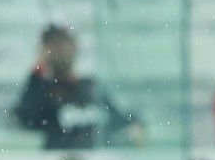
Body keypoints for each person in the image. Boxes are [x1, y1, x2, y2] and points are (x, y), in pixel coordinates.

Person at [14, 26, 142, 150]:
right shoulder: (42, 90)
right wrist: (37, 70)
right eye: (53, 45)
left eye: (63, 43)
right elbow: (23, 119)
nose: (59, 50)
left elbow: (119, 119)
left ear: (74, 46)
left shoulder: (90, 86)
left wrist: (134, 124)